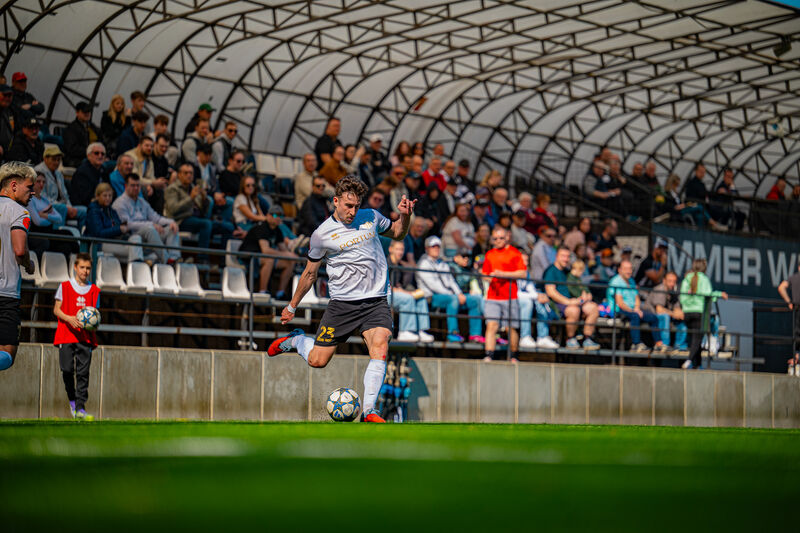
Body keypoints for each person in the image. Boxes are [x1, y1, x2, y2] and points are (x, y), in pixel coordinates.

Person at [267, 175, 418, 423]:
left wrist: (405, 216)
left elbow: (399, 233)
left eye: (356, 206)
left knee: (380, 346)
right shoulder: (321, 234)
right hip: (342, 305)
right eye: (348, 205)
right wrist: (292, 306)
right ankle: (296, 341)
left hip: (376, 300)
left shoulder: (371, 216)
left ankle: (369, 411)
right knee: (318, 361)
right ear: (335, 201)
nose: (353, 211)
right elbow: (310, 273)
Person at [53, 253, 99, 420]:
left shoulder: (94, 290)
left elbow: (95, 314)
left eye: (88, 268)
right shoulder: (65, 286)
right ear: (75, 267)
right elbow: (56, 310)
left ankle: (80, 408)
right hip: (66, 335)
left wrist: (93, 323)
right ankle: (72, 401)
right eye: (82, 267)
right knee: (67, 369)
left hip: (85, 338)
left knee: (83, 373)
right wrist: (69, 319)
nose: (85, 271)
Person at [0, 162, 35, 372]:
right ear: (14, 185)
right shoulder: (19, 212)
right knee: (7, 353)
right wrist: (29, 264)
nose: (33, 193)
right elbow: (19, 250)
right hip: (6, 293)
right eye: (29, 187)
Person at [416, 236, 484, 343]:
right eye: (433, 246)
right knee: (453, 299)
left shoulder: (442, 263)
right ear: (427, 248)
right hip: (431, 297)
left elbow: (451, 281)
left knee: (475, 299)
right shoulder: (423, 263)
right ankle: (453, 333)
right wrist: (455, 295)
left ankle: (475, 334)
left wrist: (459, 293)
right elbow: (434, 286)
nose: (436, 249)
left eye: (438, 246)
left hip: (449, 296)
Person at [165, 163, 232, 260]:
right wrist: (191, 198)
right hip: (180, 220)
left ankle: (223, 261)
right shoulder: (172, 189)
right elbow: (173, 209)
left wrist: (204, 200)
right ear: (179, 174)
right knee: (206, 224)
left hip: (197, 219)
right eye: (186, 173)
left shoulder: (193, 187)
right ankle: (202, 259)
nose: (189, 175)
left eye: (191, 173)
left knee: (228, 227)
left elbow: (203, 212)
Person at [112, 173, 181, 264]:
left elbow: (156, 218)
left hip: (148, 234)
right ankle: (166, 260)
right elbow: (128, 224)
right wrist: (151, 224)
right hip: (131, 236)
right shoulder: (120, 203)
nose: (136, 188)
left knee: (171, 229)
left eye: (138, 185)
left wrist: (172, 222)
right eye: (132, 185)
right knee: (150, 229)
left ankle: (175, 258)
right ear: (126, 186)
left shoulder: (142, 201)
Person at [481, 227, 526, 363]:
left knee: (511, 327)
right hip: (493, 295)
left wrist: (503, 274)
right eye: (495, 238)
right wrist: (490, 277)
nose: (498, 241)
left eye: (501, 238)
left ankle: (513, 355)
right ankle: (489, 355)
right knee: (491, 325)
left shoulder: (514, 253)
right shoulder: (490, 254)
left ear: (507, 237)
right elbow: (485, 274)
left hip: (510, 296)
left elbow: (522, 273)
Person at [543, 246, 600, 350]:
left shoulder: (568, 271)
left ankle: (587, 338)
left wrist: (585, 295)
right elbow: (551, 292)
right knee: (574, 310)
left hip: (574, 301)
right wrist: (568, 302)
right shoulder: (551, 271)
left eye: (568, 256)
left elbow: (579, 285)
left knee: (593, 307)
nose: (566, 259)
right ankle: (570, 339)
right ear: (556, 256)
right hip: (557, 305)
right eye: (563, 256)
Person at [679, 258, 727, 369]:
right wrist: (720, 294)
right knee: (697, 339)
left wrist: (687, 306)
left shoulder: (687, 279)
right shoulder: (704, 279)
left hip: (687, 313)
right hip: (699, 313)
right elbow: (708, 295)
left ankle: (698, 365)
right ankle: (689, 360)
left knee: (695, 339)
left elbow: (682, 298)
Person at [607, 260, 664, 353]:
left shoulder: (631, 281)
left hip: (633, 309)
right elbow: (620, 303)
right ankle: (636, 344)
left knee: (653, 317)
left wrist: (637, 308)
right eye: (626, 269)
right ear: (619, 270)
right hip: (618, 310)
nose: (628, 271)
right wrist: (633, 311)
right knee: (635, 316)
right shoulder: (616, 282)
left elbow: (636, 297)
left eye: (630, 269)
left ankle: (659, 344)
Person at [387, 240, 434, 343]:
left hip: (396, 294)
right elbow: (386, 287)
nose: (400, 252)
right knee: (408, 298)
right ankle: (405, 331)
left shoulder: (399, 265)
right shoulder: (386, 263)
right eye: (397, 249)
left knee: (421, 298)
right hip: (384, 296)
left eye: (402, 249)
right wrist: (405, 292)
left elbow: (399, 285)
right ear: (390, 249)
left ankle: (421, 331)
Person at [85, 183, 144, 263]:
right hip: (100, 244)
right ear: (97, 196)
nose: (108, 198)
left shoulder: (112, 211)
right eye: (105, 196)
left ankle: (136, 265)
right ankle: (138, 266)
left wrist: (125, 229)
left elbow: (118, 226)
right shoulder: (93, 211)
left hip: (115, 241)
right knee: (136, 251)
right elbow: (98, 234)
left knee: (136, 238)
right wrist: (119, 229)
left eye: (110, 196)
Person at [35, 145, 87, 229]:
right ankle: (58, 235)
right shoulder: (38, 171)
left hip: (62, 205)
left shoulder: (58, 173)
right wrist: (66, 208)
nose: (56, 162)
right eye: (54, 159)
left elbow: (65, 195)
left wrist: (70, 208)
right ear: (45, 159)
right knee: (62, 209)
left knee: (84, 210)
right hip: (46, 207)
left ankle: (80, 236)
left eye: (58, 160)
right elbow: (41, 196)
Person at [643, 271, 688, 355]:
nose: (672, 284)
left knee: (682, 320)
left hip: (666, 316)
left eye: (674, 281)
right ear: (664, 281)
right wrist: (674, 314)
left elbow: (677, 308)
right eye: (669, 281)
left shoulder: (673, 291)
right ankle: (664, 345)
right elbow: (659, 310)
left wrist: (680, 313)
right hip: (651, 316)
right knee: (665, 317)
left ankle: (680, 347)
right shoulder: (660, 289)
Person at [62, 102, 101, 167]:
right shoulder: (71, 129)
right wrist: (91, 152)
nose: (87, 113)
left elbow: (102, 141)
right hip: (76, 159)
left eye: (88, 111)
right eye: (84, 112)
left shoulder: (93, 127)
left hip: (93, 157)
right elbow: (71, 149)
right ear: (77, 113)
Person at [70, 142, 108, 207]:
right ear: (88, 156)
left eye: (102, 154)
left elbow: (110, 189)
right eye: (96, 153)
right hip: (85, 206)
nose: (100, 156)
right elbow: (86, 198)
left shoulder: (103, 170)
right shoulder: (82, 173)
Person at [777, 263, 800, 371]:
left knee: (797, 334)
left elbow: (781, 287)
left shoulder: (793, 278)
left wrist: (789, 302)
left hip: (797, 308)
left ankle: (797, 357)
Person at [101, 94, 128, 158]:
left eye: (122, 104)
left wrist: (128, 117)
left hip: (120, 144)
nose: (120, 106)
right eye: (117, 103)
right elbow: (110, 132)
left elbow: (126, 131)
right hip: (108, 145)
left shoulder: (124, 117)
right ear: (112, 104)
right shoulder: (106, 116)